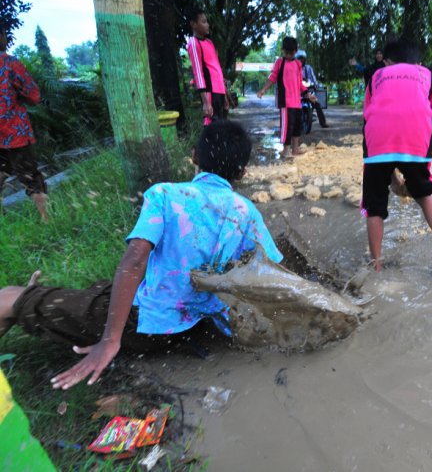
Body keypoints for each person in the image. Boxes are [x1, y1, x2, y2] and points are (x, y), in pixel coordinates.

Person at [0, 121, 283, 390]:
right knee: (99, 290)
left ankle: (25, 300)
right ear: (242, 172)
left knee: (10, 297)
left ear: (194, 156)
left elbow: (135, 260)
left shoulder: (165, 194)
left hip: (148, 326)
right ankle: (34, 299)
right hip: (201, 324)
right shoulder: (247, 212)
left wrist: (110, 340)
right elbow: (273, 272)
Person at [361, 37, 432, 273]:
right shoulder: (428, 75)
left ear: (387, 60)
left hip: (378, 142)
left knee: (374, 205)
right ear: (417, 59)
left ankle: (376, 264)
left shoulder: (376, 76)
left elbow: (368, 116)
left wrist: (390, 174)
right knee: (425, 195)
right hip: (417, 138)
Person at [0, 26, 48, 223]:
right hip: (14, 132)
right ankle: (46, 219)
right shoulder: (9, 63)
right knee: (30, 177)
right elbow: (33, 95)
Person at [257, 37, 314, 157]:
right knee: (287, 127)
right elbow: (272, 78)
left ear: (296, 50)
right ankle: (285, 150)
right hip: (285, 102)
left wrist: (307, 94)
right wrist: (263, 90)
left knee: (297, 126)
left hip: (296, 102)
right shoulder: (280, 62)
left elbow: (300, 83)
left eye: (292, 53)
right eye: (287, 53)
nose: (289, 55)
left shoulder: (298, 64)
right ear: (283, 50)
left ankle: (295, 149)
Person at [186, 7, 228, 126]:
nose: (207, 25)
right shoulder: (194, 43)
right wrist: (205, 101)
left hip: (219, 91)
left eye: (207, 21)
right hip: (209, 92)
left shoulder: (209, 43)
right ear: (194, 24)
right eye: (204, 22)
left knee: (221, 127)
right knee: (211, 127)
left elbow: (217, 70)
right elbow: (198, 73)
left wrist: (224, 95)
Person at [296, 51, 330, 128]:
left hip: (308, 91)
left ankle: (323, 122)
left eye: (303, 59)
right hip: (297, 92)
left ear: (305, 59)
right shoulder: (295, 68)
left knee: (317, 103)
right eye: (299, 59)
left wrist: (315, 85)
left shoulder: (308, 68)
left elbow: (313, 78)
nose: (301, 61)